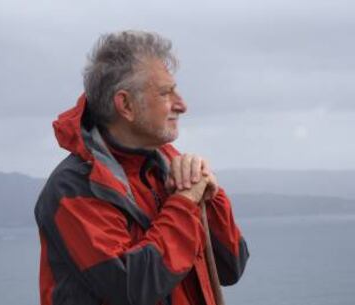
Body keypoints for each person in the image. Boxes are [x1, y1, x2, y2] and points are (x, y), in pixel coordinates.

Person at [34, 30, 249, 305]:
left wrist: (210, 193)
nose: (182, 105)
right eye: (165, 93)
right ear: (126, 105)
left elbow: (231, 266)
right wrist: (185, 202)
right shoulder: (73, 188)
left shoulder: (169, 166)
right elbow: (131, 287)